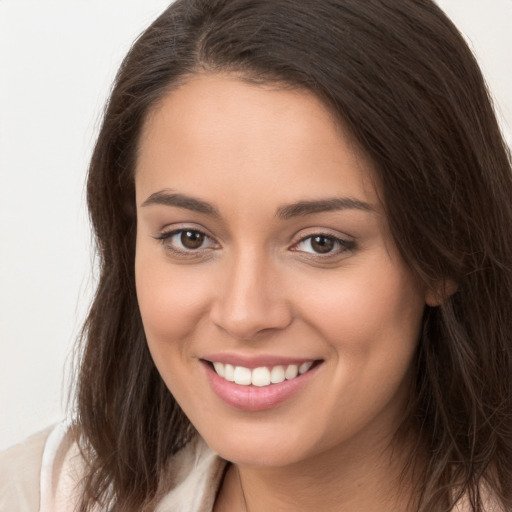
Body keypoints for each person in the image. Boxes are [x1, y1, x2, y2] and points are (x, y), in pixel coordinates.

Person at [1, 0, 511, 511]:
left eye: (321, 242)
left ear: (445, 253)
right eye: (190, 238)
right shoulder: (40, 495)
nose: (243, 314)